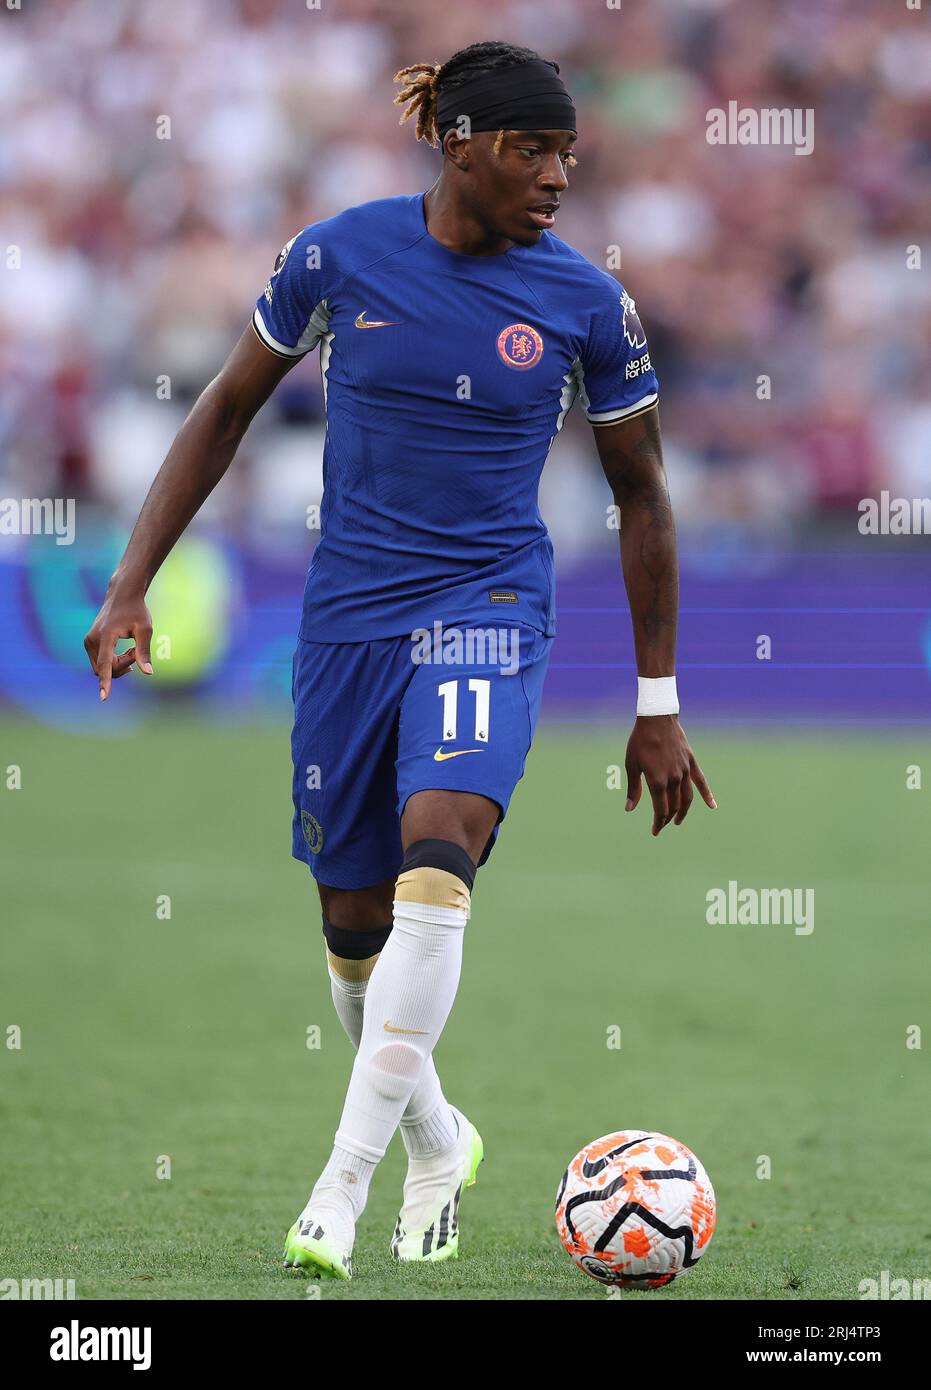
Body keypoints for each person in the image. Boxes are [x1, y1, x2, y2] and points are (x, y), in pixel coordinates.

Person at [83, 40, 715, 1282]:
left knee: (441, 849)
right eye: (532, 152)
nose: (556, 177)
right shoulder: (337, 256)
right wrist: (129, 580)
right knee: (352, 930)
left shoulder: (588, 304)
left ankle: (341, 1185)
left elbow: (642, 495)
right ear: (459, 143)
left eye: (568, 156)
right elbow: (224, 409)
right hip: (348, 625)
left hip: (489, 608)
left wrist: (658, 700)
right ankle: (438, 1135)